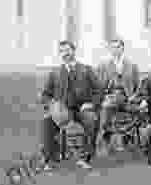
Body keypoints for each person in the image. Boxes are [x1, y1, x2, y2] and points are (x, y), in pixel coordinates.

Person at [40, 40, 103, 169]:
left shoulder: (87, 70)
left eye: (68, 50)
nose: (65, 54)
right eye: (62, 51)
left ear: (74, 51)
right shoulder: (55, 73)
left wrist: (91, 104)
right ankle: (50, 159)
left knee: (91, 120)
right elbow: (45, 95)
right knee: (47, 121)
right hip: (62, 111)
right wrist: (52, 106)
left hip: (82, 109)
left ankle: (85, 158)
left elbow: (99, 90)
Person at [96, 37, 141, 154]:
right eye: (113, 47)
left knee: (138, 110)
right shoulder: (103, 65)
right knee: (106, 108)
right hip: (110, 96)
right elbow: (99, 86)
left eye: (118, 47)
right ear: (110, 49)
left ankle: (128, 136)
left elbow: (138, 86)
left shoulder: (132, 65)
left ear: (123, 48)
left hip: (128, 98)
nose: (116, 50)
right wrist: (104, 96)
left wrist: (134, 97)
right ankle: (106, 137)